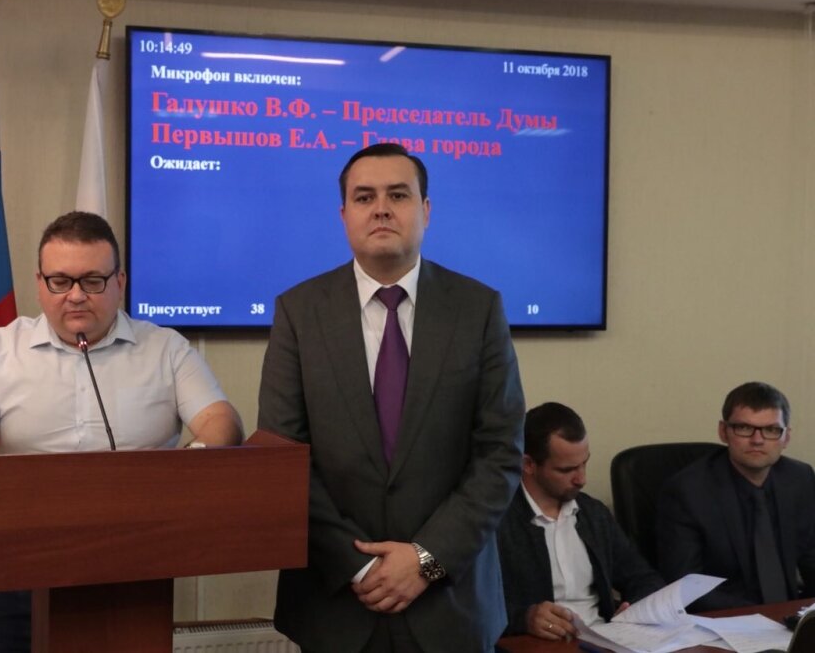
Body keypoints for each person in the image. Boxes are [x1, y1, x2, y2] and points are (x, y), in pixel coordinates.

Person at [257, 143, 525, 653]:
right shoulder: (298, 312)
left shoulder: (478, 309)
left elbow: (499, 453)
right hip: (336, 605)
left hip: (451, 606)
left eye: (398, 195)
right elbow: (283, 458)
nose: (381, 208)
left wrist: (426, 559)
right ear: (344, 215)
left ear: (426, 210)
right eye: (365, 197)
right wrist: (359, 565)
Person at [0, 211, 242, 651]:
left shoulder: (166, 349)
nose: (76, 295)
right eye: (60, 281)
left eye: (93, 281)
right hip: (21, 569)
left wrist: (186, 464)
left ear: (119, 281)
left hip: (135, 568)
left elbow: (222, 422)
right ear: (40, 283)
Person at [497, 402, 663, 641]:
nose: (582, 479)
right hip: (536, 645)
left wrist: (636, 608)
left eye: (584, 463)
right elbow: (454, 591)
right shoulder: (494, 519)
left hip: (604, 640)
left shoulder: (593, 514)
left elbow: (645, 578)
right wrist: (522, 618)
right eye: (567, 470)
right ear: (529, 465)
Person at [656, 381, 815, 611]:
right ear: (723, 431)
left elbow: (811, 556)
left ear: (786, 437)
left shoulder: (799, 478)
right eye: (744, 427)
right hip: (726, 619)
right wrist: (763, 617)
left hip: (792, 616)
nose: (757, 440)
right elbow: (684, 584)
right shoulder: (687, 492)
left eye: (771, 430)